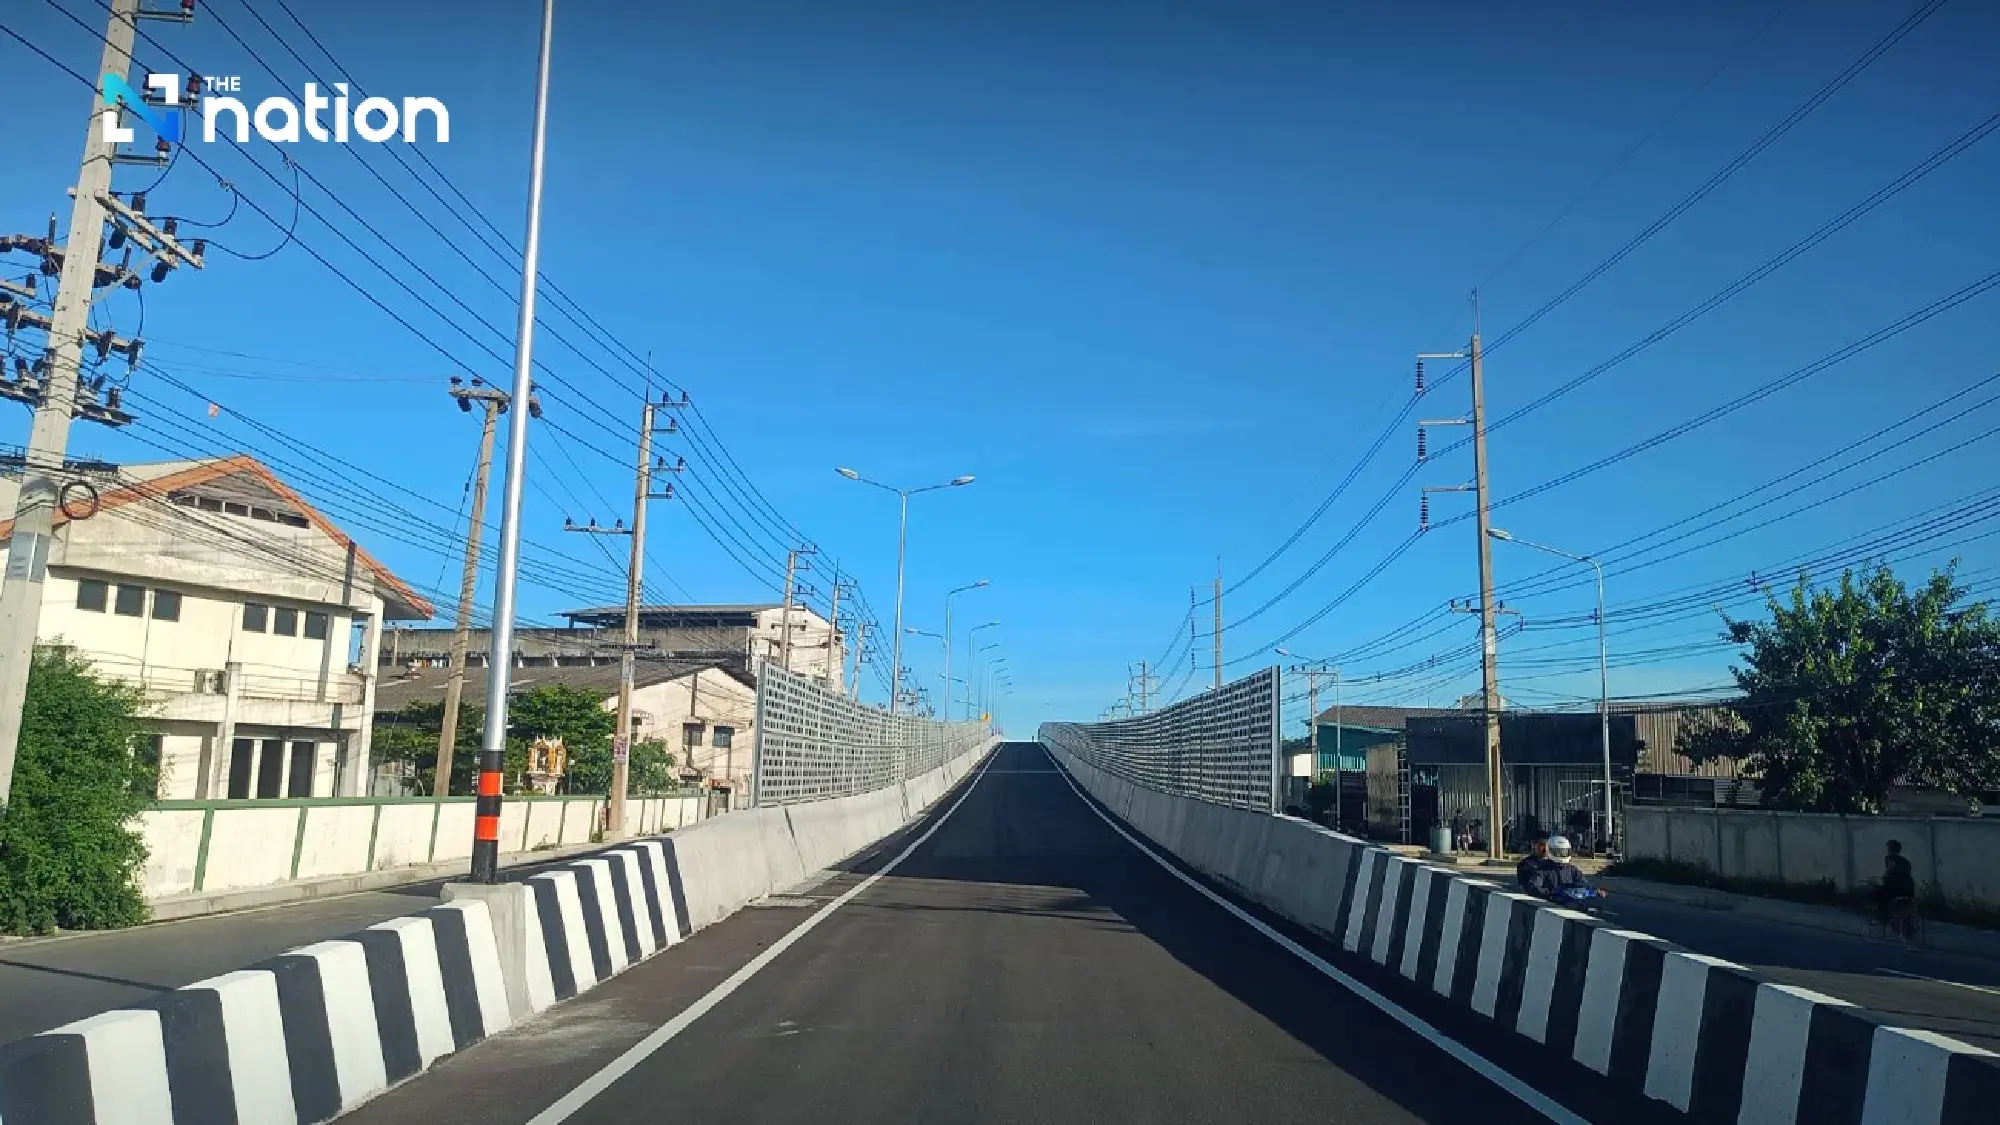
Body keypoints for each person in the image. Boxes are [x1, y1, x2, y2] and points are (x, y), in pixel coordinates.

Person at [1877, 839, 1917, 935]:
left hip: (1896, 888)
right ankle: (1902, 921)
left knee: (1880, 896)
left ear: (1890, 849)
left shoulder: (1890, 858)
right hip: (1909, 888)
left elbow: (1890, 869)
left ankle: (1884, 918)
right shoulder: (1906, 861)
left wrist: (1884, 877)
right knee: (1902, 903)